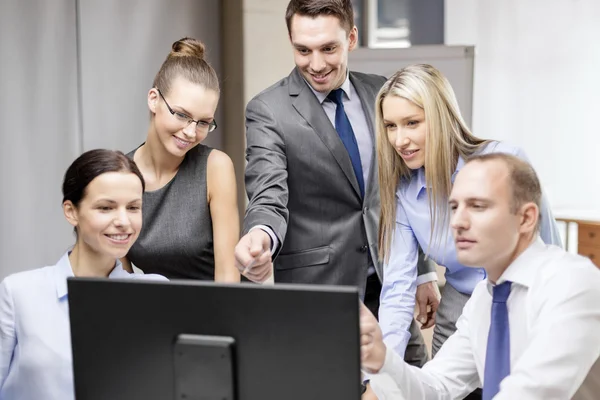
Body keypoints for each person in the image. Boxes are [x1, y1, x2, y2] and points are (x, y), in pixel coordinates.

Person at [234, 0, 434, 368]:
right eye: (302, 50)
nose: (316, 64)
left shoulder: (382, 94)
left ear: (352, 38)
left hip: (393, 286)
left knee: (412, 388)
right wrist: (261, 234)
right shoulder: (268, 111)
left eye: (329, 48)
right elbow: (268, 192)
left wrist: (422, 271)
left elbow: (406, 187)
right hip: (321, 297)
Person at [360, 153, 600, 400]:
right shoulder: (484, 298)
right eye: (454, 207)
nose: (457, 222)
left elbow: (531, 393)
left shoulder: (572, 283)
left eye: (477, 206)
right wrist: (382, 359)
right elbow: (438, 387)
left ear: (526, 218)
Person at [375, 64, 562, 369]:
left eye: (412, 123)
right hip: (458, 311)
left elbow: (550, 250)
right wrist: (383, 374)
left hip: (521, 305)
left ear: (440, 117)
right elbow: (397, 287)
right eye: (390, 126)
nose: (399, 140)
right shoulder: (404, 192)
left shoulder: (505, 162)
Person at [0, 149, 167, 400]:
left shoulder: (155, 293)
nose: (124, 221)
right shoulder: (19, 293)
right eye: (106, 208)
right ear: (71, 211)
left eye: (133, 207)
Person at [125, 37, 240, 282]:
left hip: (220, 312)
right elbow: (121, 280)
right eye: (181, 114)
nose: (190, 132)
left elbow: (228, 278)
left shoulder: (215, 167)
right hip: (154, 314)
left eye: (203, 122)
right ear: (154, 99)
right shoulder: (121, 176)